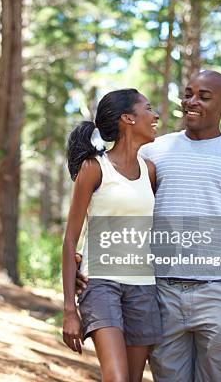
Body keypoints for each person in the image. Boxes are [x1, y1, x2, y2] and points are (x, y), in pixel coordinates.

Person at [75, 70, 221, 382]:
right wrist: (84, 256)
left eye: (204, 97)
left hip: (217, 293)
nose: (191, 102)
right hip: (160, 294)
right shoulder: (152, 151)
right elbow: (118, 207)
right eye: (188, 93)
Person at [62, 88, 162, 382]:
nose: (155, 115)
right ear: (128, 118)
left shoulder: (150, 171)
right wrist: (69, 309)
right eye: (149, 108)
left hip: (143, 288)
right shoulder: (94, 168)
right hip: (102, 285)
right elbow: (70, 240)